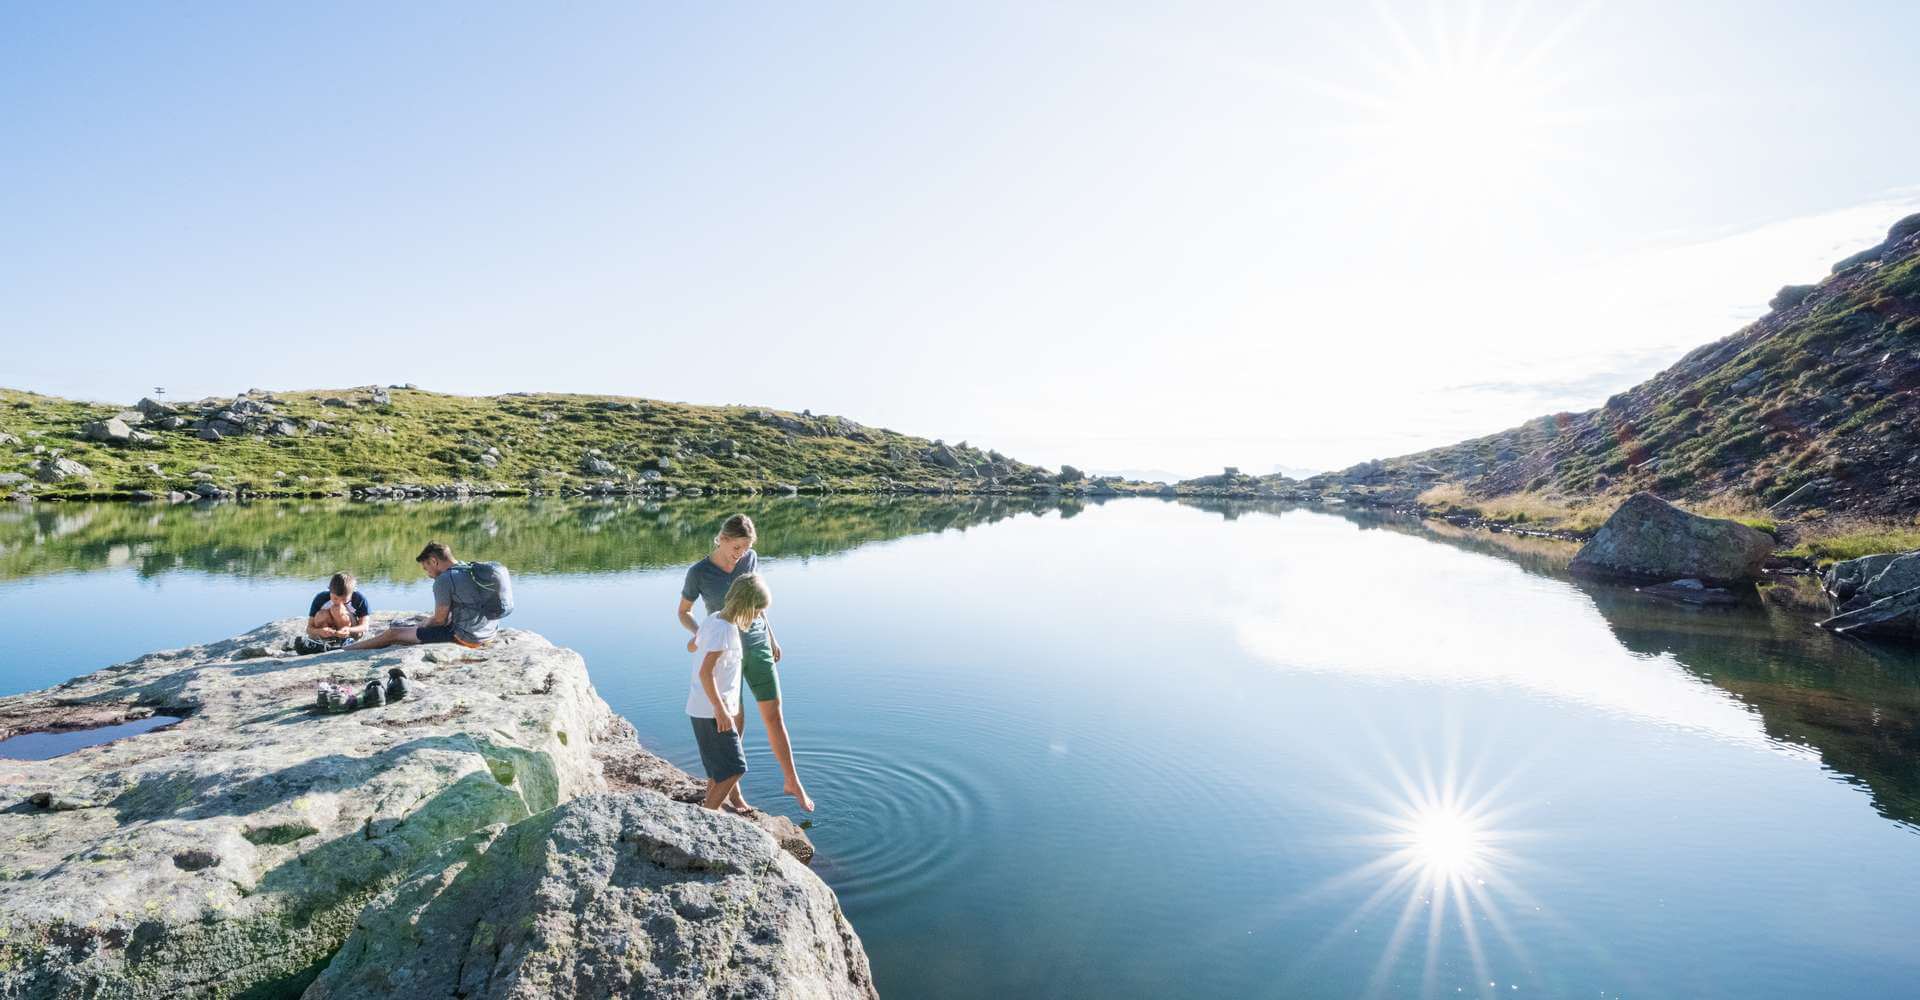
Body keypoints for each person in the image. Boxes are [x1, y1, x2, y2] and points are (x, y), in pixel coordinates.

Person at [677, 515, 815, 812]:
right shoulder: (699, 573)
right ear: (722, 538)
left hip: (757, 644)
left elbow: (755, 599)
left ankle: (792, 781)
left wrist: (772, 637)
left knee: (774, 715)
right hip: (727, 653)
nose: (740, 553)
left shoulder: (750, 559)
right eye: (736, 546)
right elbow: (683, 612)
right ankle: (733, 792)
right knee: (733, 724)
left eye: (746, 547)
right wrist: (702, 634)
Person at [687, 575, 766, 811]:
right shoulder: (725, 630)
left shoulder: (713, 620)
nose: (758, 616)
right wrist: (721, 711)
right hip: (713, 712)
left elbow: (692, 646)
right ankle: (707, 816)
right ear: (745, 606)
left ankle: (708, 811)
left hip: (701, 708)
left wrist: (700, 643)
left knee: (717, 771)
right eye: (757, 610)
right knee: (734, 769)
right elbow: (705, 673)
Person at [353, 541, 501, 650]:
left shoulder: (444, 579)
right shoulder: (470, 569)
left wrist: (423, 625)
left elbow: (439, 621)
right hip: (489, 634)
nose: (428, 574)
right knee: (412, 627)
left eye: (426, 568)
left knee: (393, 634)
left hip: (467, 638)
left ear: (433, 561)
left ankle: (344, 651)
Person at [306, 572, 371, 642]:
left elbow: (365, 626)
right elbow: (309, 629)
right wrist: (320, 631)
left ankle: (345, 639)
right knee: (321, 615)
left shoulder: (359, 598)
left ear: (352, 592)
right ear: (329, 590)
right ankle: (327, 639)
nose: (339, 602)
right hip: (331, 631)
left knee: (337, 609)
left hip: (351, 631)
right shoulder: (321, 598)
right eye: (335, 598)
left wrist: (348, 629)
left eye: (344, 600)